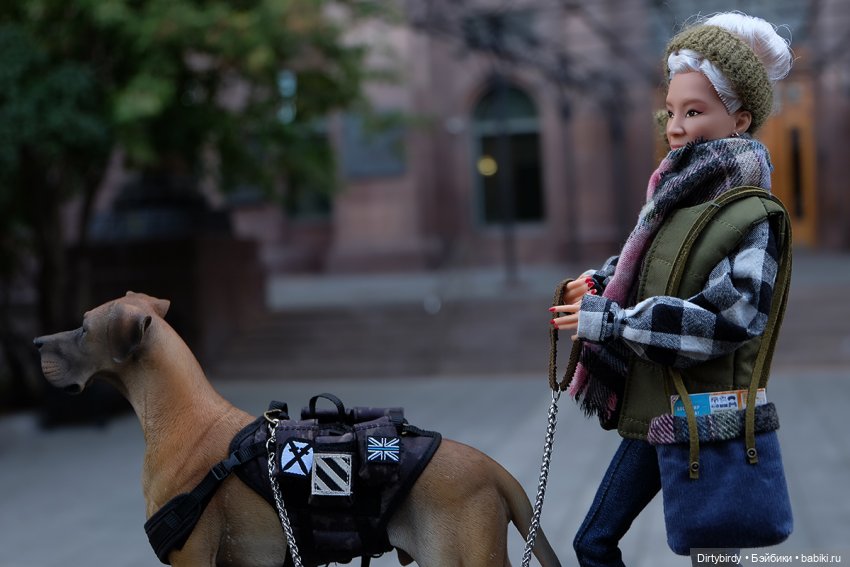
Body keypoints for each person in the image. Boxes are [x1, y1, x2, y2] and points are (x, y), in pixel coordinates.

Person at [549, 11, 794, 567]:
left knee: (710, 556)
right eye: (672, 111)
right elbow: (654, 268)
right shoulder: (676, 199)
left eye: (695, 111)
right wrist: (601, 284)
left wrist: (610, 322)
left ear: (740, 119)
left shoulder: (750, 212)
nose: (677, 126)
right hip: (657, 407)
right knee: (593, 540)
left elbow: (731, 318)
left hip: (708, 419)